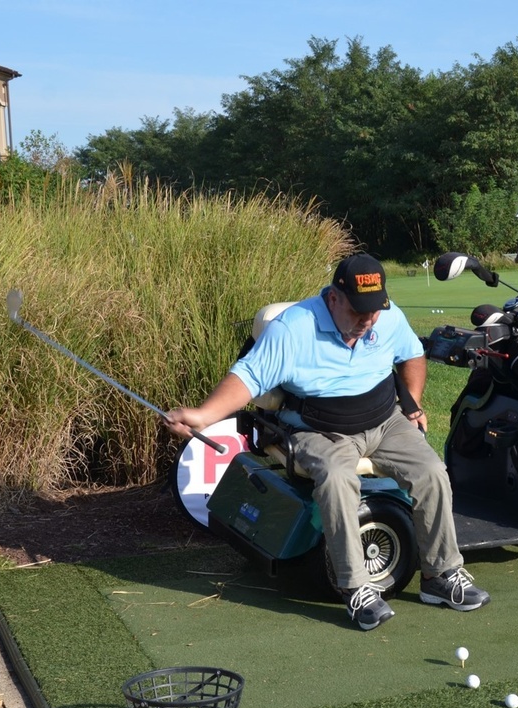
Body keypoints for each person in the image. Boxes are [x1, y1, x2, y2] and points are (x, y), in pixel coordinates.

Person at [164, 253, 490, 632]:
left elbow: (411, 354)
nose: (367, 322)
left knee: (432, 471)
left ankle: (441, 575)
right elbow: (248, 377)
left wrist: (412, 404)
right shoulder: (294, 328)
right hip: (318, 429)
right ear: (333, 298)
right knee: (337, 477)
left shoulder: (385, 317)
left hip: (385, 421)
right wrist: (203, 415)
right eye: (357, 312)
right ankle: (355, 587)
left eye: (374, 311)